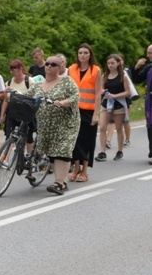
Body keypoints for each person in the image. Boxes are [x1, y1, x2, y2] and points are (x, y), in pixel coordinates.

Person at [26, 55, 80, 194]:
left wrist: (63, 103)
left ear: (60, 67)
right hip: (45, 124)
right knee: (51, 151)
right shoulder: (37, 85)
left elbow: (75, 96)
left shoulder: (67, 81)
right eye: (48, 64)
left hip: (65, 123)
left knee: (62, 149)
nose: (49, 66)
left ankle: (60, 183)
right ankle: (59, 179)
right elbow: (27, 97)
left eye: (53, 64)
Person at [67, 43, 102, 182]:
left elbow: (98, 93)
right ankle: (76, 168)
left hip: (89, 110)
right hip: (73, 109)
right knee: (74, 140)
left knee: (87, 141)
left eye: (85, 53)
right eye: (80, 53)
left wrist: (96, 113)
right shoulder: (72, 69)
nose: (82, 55)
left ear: (90, 55)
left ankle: (85, 171)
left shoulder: (96, 70)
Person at [95, 54, 131, 162]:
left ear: (118, 63)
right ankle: (102, 152)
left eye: (113, 63)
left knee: (119, 128)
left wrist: (115, 96)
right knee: (102, 127)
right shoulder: (104, 76)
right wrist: (102, 92)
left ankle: (120, 151)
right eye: (109, 63)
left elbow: (127, 92)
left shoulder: (123, 76)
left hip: (119, 104)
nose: (110, 65)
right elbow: (101, 89)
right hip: (106, 103)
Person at [0, 60, 34, 153]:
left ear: (20, 69)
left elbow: (31, 96)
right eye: (10, 70)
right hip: (13, 111)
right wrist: (2, 115)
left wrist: (15, 91)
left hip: (26, 111)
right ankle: (5, 159)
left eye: (14, 69)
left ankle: (29, 156)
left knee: (28, 136)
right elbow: (6, 100)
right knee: (9, 135)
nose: (12, 72)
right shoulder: (9, 82)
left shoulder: (29, 81)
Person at [133, 43, 152, 164]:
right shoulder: (149, 67)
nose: (148, 55)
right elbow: (136, 79)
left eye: (150, 53)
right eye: (148, 52)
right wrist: (136, 68)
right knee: (150, 127)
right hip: (150, 101)